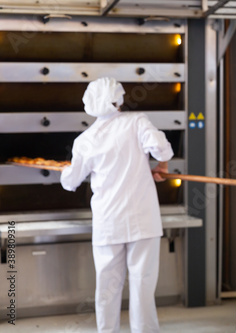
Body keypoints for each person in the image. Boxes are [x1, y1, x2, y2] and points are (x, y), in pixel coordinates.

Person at [60, 77, 173, 333]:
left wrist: (66, 170)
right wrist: (163, 165)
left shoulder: (85, 140)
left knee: (107, 288)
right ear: (119, 99)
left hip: (108, 223)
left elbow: (70, 182)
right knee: (142, 285)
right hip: (143, 221)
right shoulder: (136, 122)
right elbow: (159, 147)